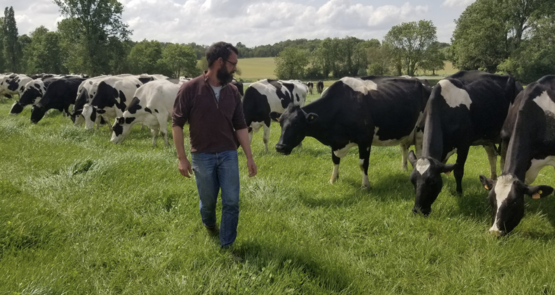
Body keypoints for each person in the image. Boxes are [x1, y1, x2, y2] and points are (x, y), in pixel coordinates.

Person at [172, 42, 257, 248]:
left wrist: (249, 157)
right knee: (208, 202)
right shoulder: (190, 89)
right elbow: (177, 124)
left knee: (231, 202)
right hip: (202, 155)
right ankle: (209, 223)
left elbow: (241, 126)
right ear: (220, 62)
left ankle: (227, 244)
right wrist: (182, 158)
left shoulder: (233, 92)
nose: (235, 68)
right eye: (232, 63)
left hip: (228, 153)